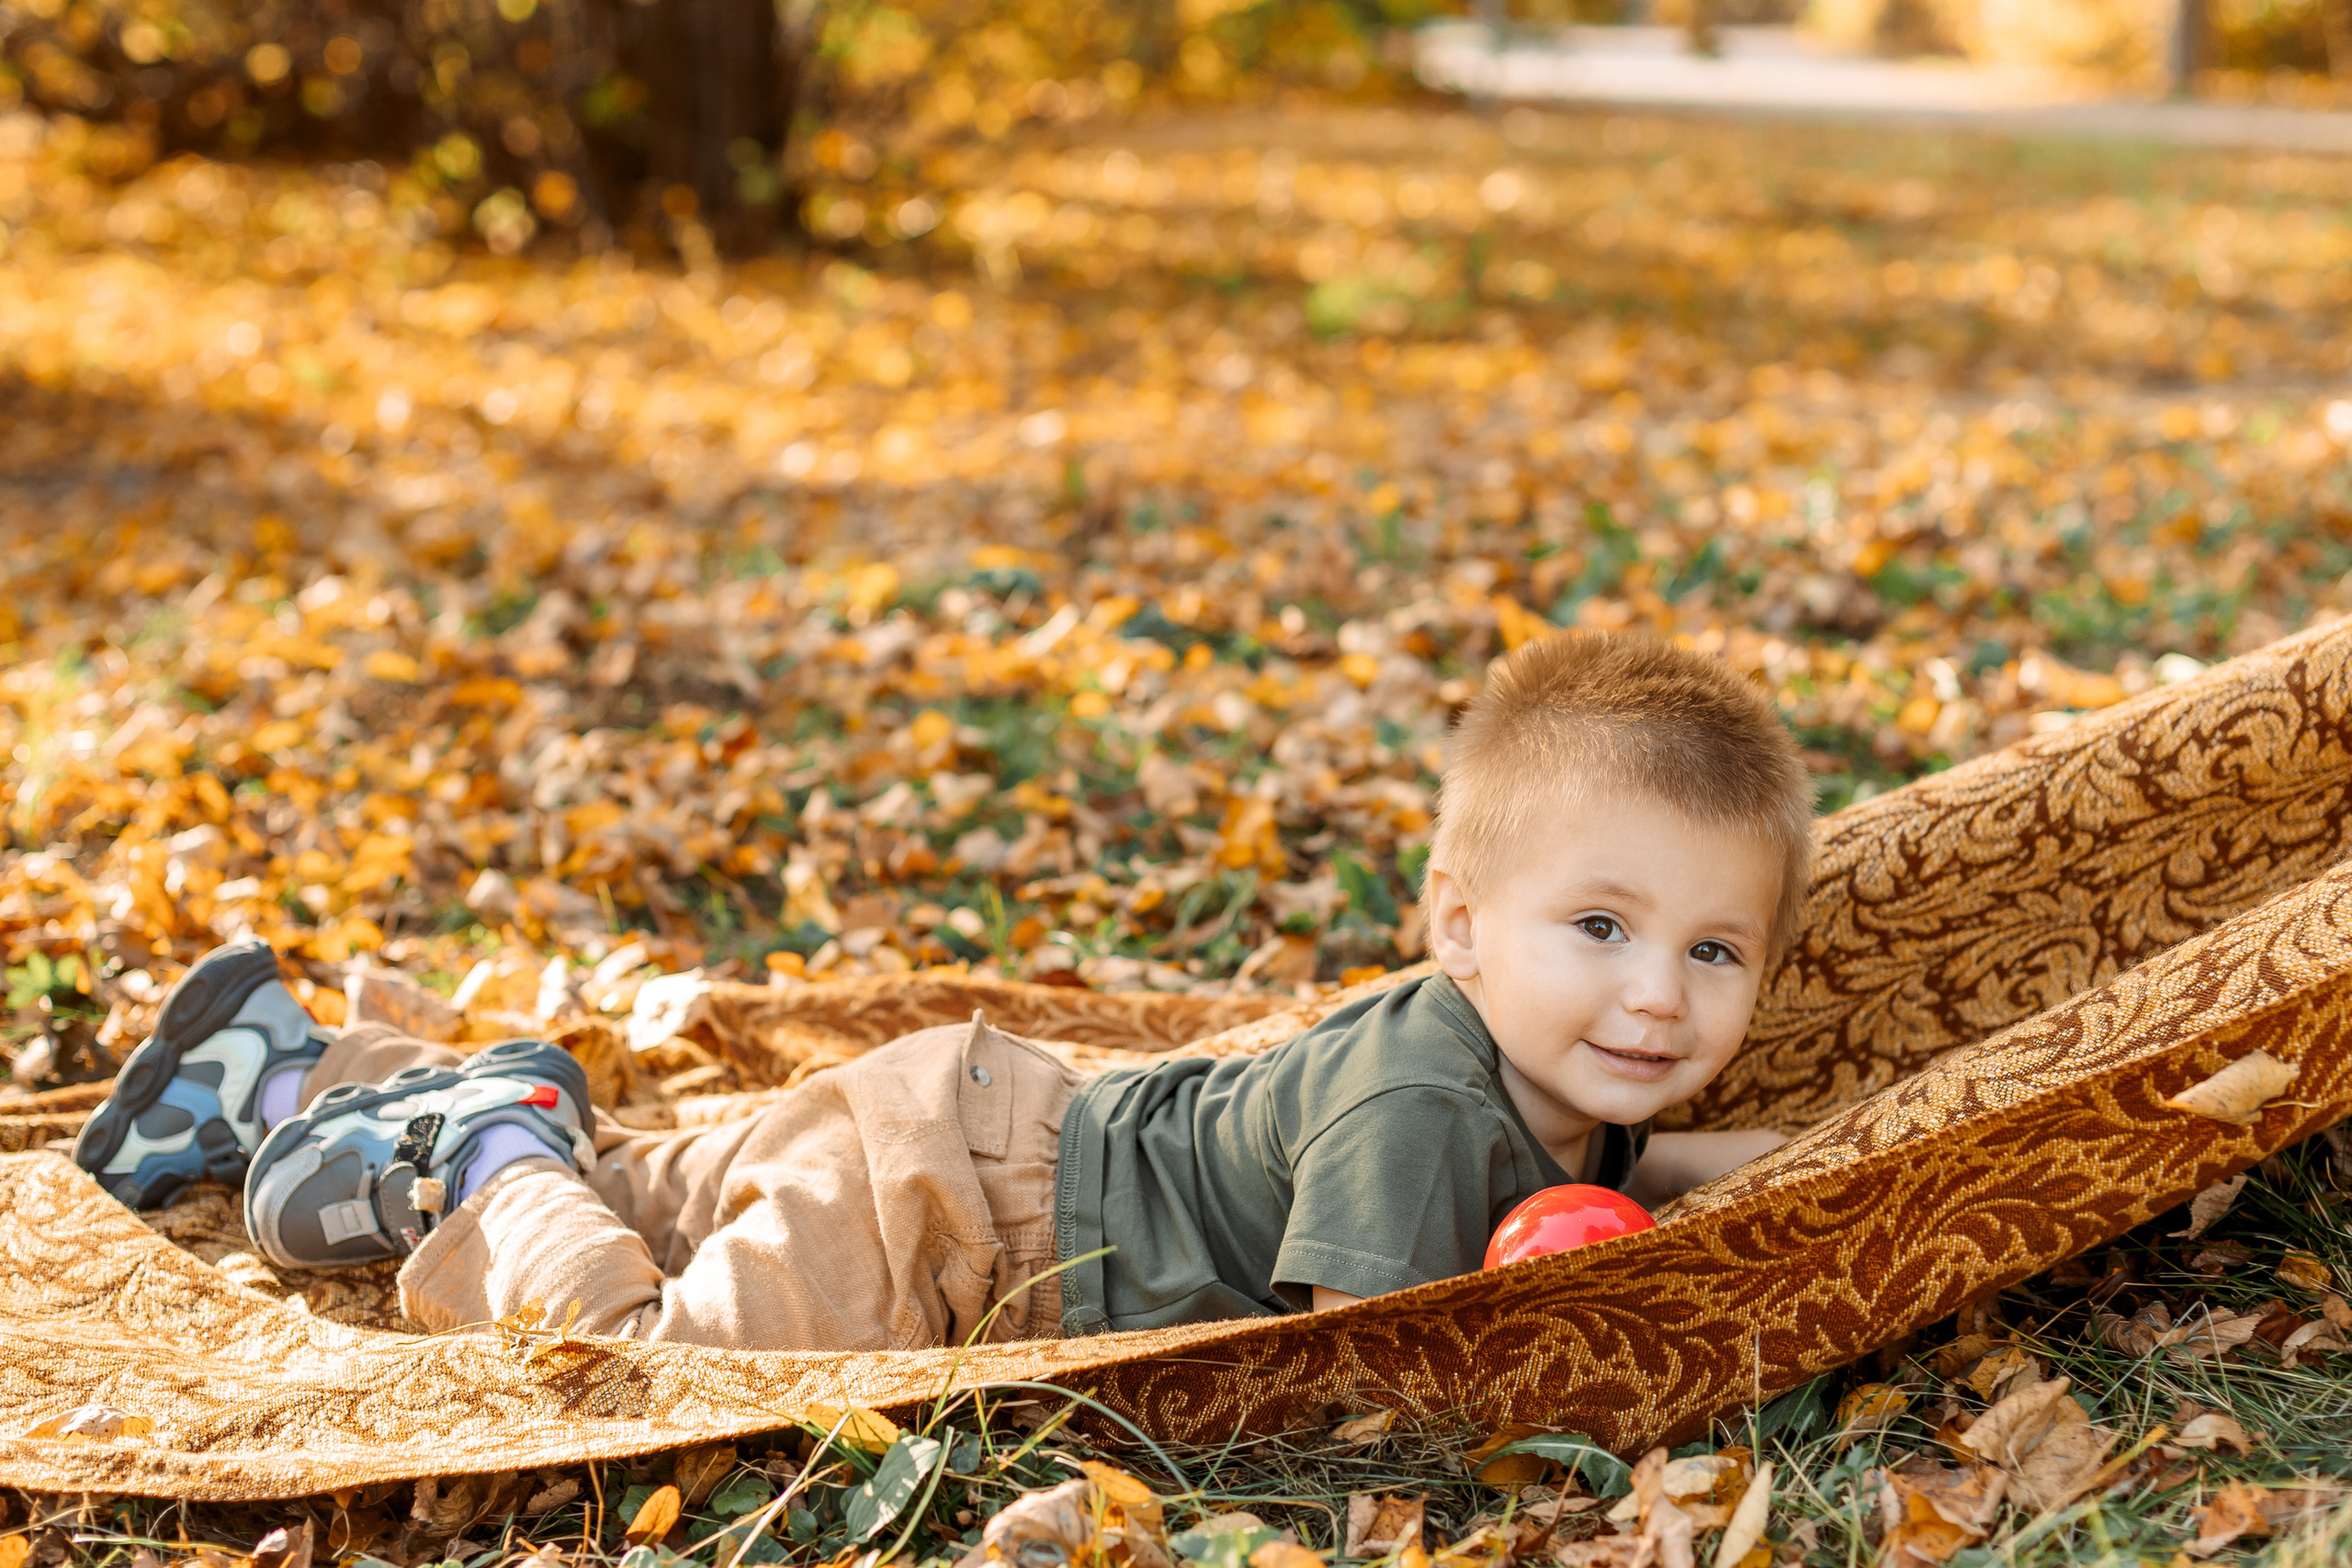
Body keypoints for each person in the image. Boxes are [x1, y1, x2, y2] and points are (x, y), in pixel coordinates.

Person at [73, 632, 1808, 1349]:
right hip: (957, 1214)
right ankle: (482, 1149)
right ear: (1458, 927)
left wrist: (1845, 1166)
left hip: (963, 1107)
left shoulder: (1545, 1078)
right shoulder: (1427, 1110)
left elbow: (1646, 1179)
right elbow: (1360, 1381)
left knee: (651, 1188)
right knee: (645, 1356)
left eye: (1713, 952)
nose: (1658, 996)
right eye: (1600, 927)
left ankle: (291, 1074)